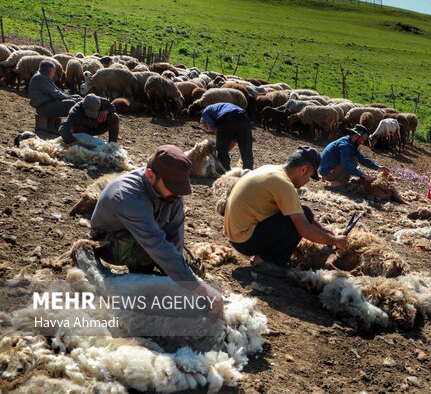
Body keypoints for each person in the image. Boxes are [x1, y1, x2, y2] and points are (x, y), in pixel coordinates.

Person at [90, 145, 223, 316]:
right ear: (150, 176)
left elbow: (174, 234)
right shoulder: (128, 196)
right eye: (173, 187)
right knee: (147, 253)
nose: (178, 195)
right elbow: (155, 244)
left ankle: (160, 282)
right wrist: (197, 287)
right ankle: (140, 290)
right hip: (109, 241)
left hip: (149, 234)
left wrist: (185, 281)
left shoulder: (172, 192)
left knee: (191, 269)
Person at [224, 146, 348, 277]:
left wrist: (324, 229)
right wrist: (335, 241)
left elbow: (298, 210)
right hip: (245, 241)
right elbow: (305, 229)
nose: (307, 182)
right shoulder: (284, 185)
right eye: (310, 177)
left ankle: (262, 257)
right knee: (299, 222)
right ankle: (266, 262)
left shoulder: (272, 170)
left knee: (306, 213)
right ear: (303, 169)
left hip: (236, 236)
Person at [318, 124, 389, 186]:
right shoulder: (344, 145)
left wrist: (378, 167)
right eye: (362, 140)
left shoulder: (351, 143)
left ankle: (338, 181)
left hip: (329, 170)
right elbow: (346, 164)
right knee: (352, 161)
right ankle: (337, 183)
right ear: (356, 136)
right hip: (327, 173)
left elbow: (361, 159)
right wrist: (363, 175)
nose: (362, 143)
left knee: (354, 159)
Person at [200, 102, 253, 171]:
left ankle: (224, 170)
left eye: (206, 127)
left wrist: (218, 150)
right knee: (246, 147)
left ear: (204, 122)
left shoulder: (205, 113)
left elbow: (213, 125)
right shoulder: (217, 108)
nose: (208, 129)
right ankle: (248, 170)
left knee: (221, 148)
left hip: (227, 116)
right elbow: (233, 141)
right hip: (244, 117)